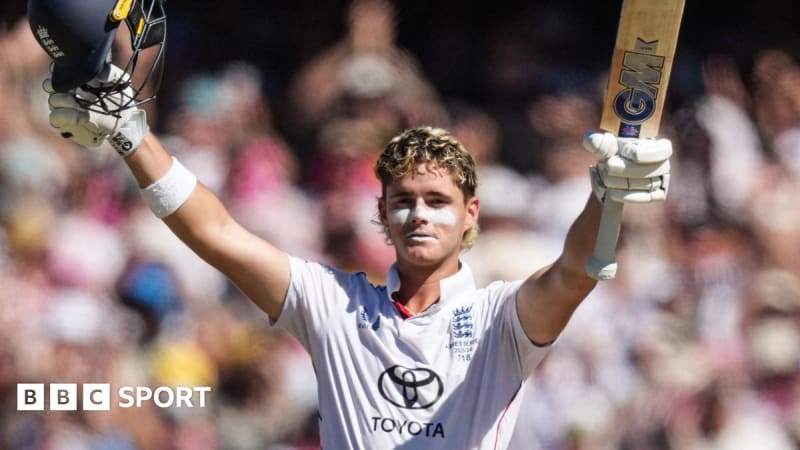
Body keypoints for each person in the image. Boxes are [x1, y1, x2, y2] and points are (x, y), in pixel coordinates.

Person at [29, 1, 672, 448]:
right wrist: (130, 135)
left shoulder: (499, 321)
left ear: (470, 215)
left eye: (438, 201)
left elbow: (573, 273)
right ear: (381, 215)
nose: (418, 213)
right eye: (402, 201)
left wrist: (607, 197)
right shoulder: (333, 307)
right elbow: (218, 235)